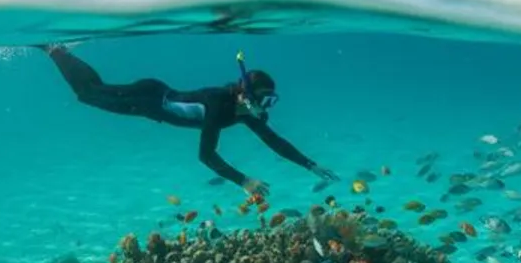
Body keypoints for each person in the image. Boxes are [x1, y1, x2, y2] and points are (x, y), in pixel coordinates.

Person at [37, 44, 335, 196]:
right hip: (149, 97)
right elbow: (205, 155)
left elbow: (275, 142)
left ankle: (59, 51)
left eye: (271, 100)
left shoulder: (244, 113)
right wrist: (243, 181)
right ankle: (55, 50)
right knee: (89, 94)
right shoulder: (220, 103)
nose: (266, 108)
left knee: (93, 92)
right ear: (246, 95)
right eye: (264, 99)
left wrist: (311, 164)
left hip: (150, 102)